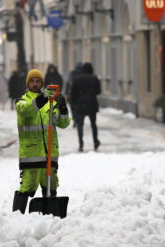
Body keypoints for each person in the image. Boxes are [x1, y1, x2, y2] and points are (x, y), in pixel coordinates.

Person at [12, 69, 70, 214]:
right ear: (28, 83)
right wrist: (42, 99)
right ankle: (16, 218)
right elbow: (27, 110)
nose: (35, 84)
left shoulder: (50, 103)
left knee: (50, 187)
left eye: (38, 81)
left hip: (50, 154)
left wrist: (62, 107)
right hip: (31, 154)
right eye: (32, 81)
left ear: (42, 83)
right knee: (26, 187)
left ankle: (51, 216)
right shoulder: (22, 101)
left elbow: (63, 123)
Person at [70, 62, 101, 152]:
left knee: (80, 125)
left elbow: (73, 93)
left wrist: (73, 104)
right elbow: (98, 91)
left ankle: (81, 143)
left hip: (80, 104)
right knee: (93, 124)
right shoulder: (94, 78)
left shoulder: (77, 79)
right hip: (91, 104)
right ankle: (95, 142)